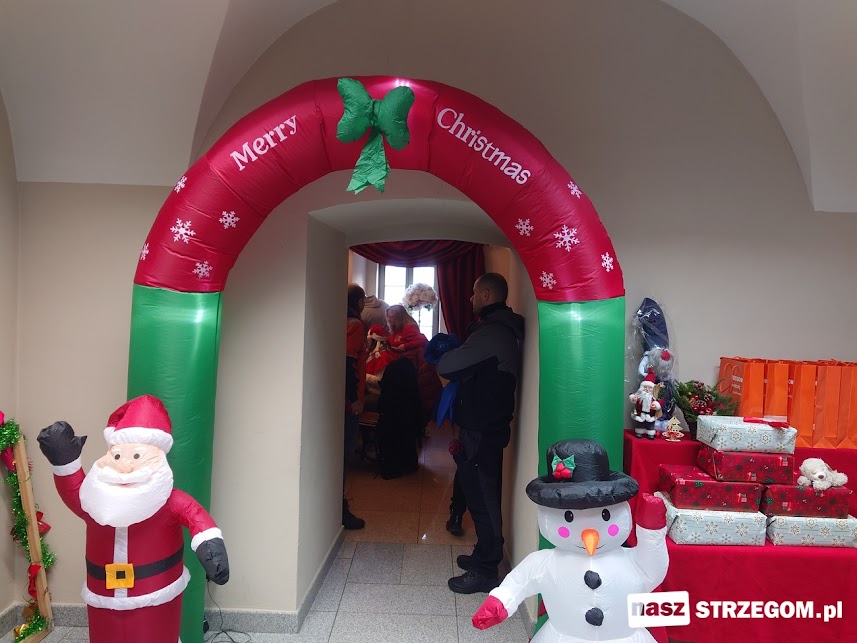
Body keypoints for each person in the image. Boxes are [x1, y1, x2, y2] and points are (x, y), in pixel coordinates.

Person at [36, 395, 229, 643]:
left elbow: (194, 515)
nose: (125, 467)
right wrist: (66, 462)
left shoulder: (170, 501)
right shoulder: (95, 499)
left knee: (154, 635)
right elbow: (75, 493)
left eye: (137, 457)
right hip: (103, 593)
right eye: (117, 457)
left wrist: (210, 544)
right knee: (107, 635)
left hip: (156, 593)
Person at [437, 273, 524, 594]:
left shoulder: (493, 332)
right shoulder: (496, 329)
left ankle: (487, 570)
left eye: (474, 293)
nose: (470, 299)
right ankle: (483, 555)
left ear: (486, 295)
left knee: (484, 499)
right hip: (483, 427)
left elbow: (448, 366)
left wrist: (445, 353)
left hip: (483, 431)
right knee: (479, 496)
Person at [344, 284, 367, 529]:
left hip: (337, 399)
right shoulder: (356, 325)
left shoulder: (337, 321)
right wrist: (355, 399)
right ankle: (340, 509)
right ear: (359, 303)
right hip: (348, 403)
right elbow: (348, 363)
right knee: (343, 456)